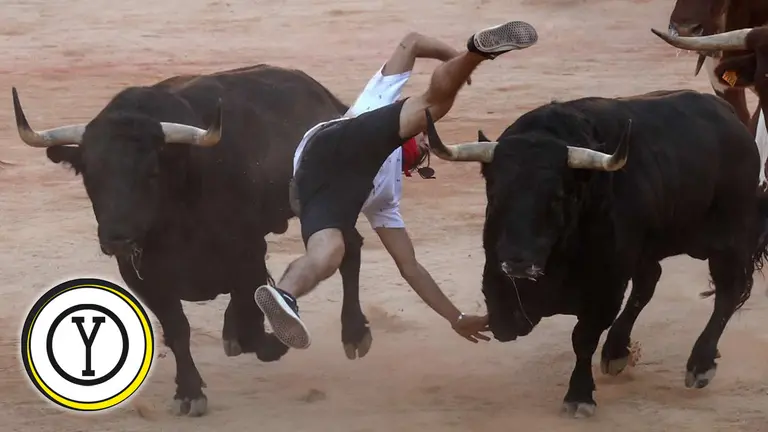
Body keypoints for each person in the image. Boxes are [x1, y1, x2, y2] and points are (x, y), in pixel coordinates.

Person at [255, 21, 540, 350]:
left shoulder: (387, 197)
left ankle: (284, 296)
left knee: (328, 254)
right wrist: (455, 56)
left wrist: (456, 317)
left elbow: (411, 268)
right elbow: (413, 41)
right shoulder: (381, 98)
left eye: (425, 151)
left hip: (318, 189)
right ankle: (476, 52)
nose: (426, 144)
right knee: (434, 107)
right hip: (337, 143)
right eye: (425, 139)